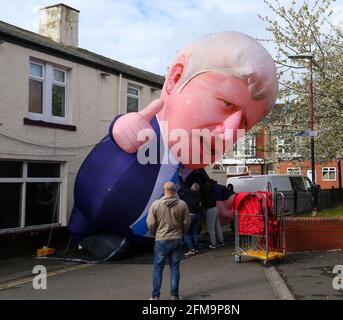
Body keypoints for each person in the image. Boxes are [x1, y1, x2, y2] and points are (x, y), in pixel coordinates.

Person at [68, 31, 278, 259]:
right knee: (83, 222)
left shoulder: (189, 168)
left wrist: (219, 203)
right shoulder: (148, 135)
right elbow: (119, 137)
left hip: (156, 237)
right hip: (93, 210)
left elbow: (198, 185)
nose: (229, 132)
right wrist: (123, 127)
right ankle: (82, 236)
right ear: (175, 78)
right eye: (227, 104)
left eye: (244, 124)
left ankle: (123, 243)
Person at [146, 181, 191, 300]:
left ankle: (155, 297)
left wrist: (155, 232)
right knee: (175, 267)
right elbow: (187, 222)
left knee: (158, 268)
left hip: (161, 239)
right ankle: (174, 295)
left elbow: (150, 223)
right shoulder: (182, 204)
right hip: (176, 239)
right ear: (175, 191)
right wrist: (182, 232)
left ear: (163, 190)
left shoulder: (155, 205)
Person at [179, 182, 203, 256]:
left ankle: (192, 249)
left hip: (189, 215)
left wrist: (181, 179)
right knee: (195, 233)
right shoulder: (199, 196)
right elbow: (200, 206)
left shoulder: (187, 194)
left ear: (192, 187)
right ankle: (196, 248)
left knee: (185, 233)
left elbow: (182, 189)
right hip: (197, 216)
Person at [203, 179, 224, 249]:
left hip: (210, 210)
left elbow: (205, 202)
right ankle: (221, 241)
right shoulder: (214, 190)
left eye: (206, 182)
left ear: (208, 183)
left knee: (211, 228)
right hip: (215, 208)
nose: (205, 183)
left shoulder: (206, 191)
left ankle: (213, 243)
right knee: (217, 226)